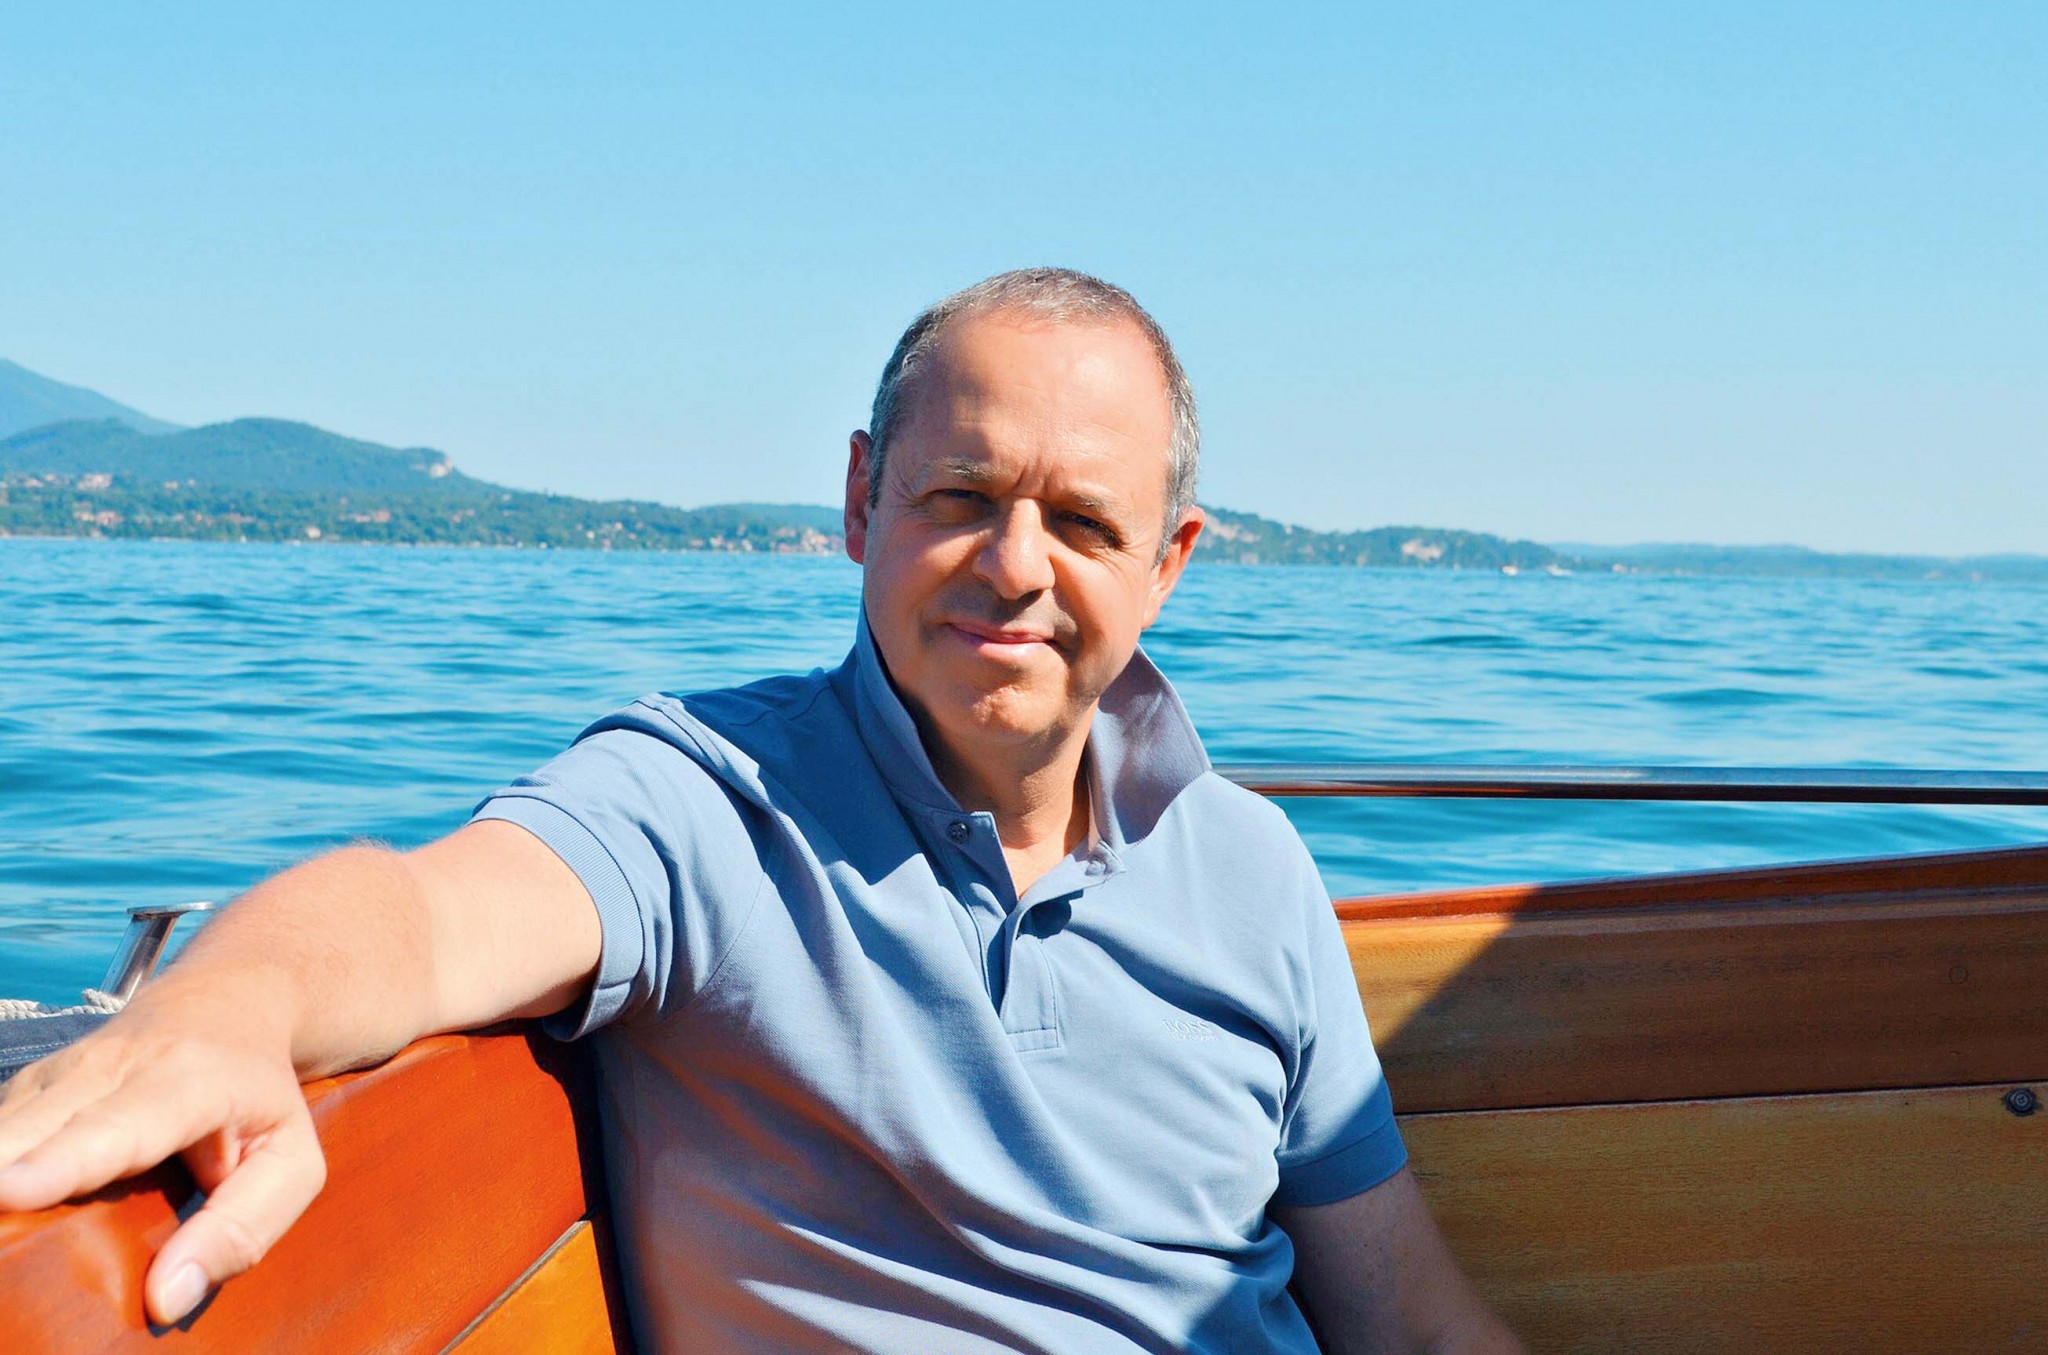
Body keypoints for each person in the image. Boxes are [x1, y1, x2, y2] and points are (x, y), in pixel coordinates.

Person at [0, 268, 1521, 1353]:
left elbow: (1410, 1321)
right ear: (860, 502)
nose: (1014, 566)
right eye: (958, 497)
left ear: (1167, 562)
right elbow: (428, 914)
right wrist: (230, 1004)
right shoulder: (707, 804)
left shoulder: (1249, 868)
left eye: (1080, 521)